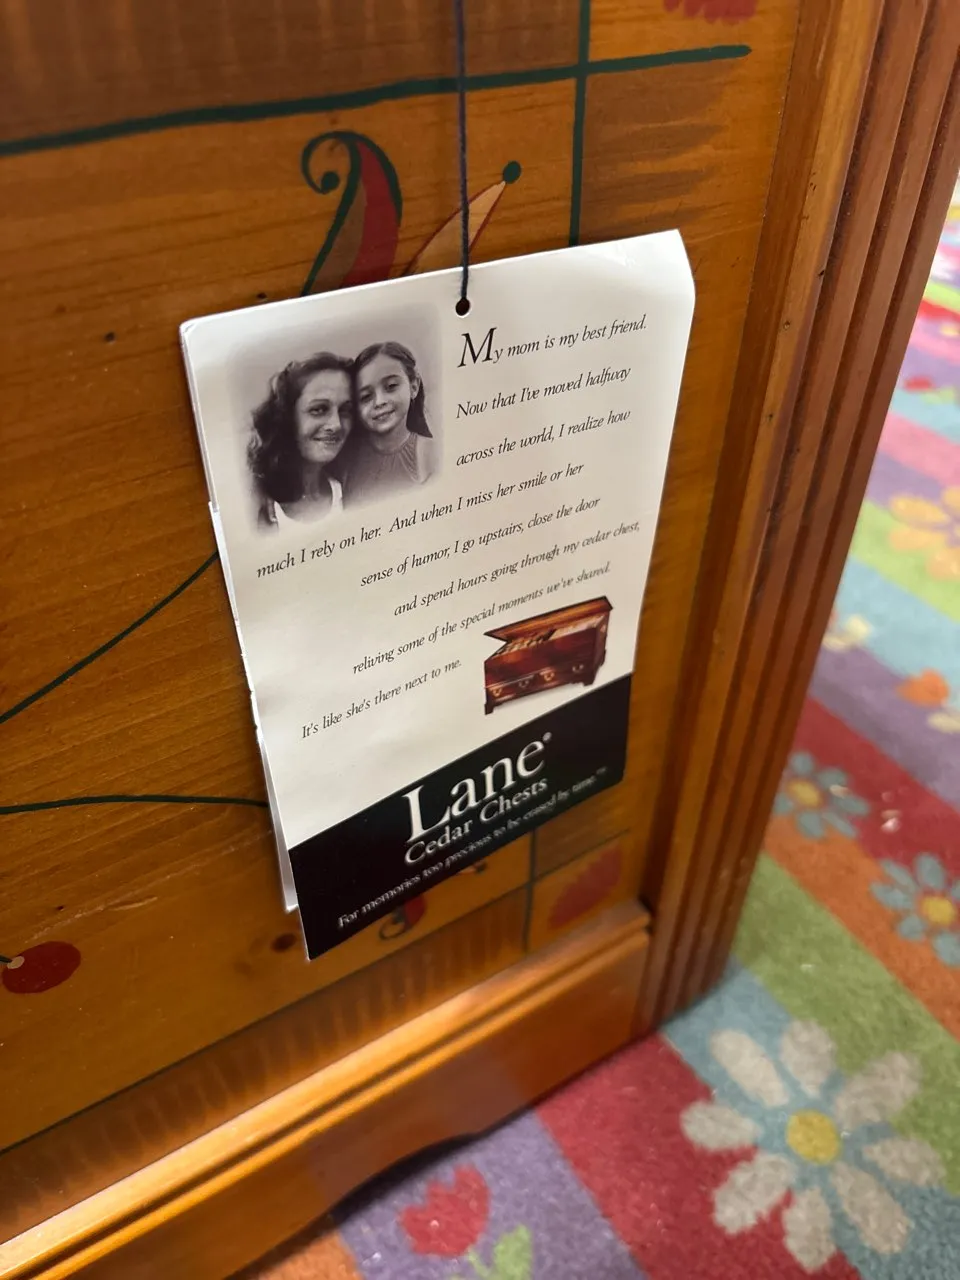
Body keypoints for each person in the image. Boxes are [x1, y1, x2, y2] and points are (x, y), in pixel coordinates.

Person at [248, 353, 353, 529]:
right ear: (287, 417)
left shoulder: (351, 492)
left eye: (345, 410)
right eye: (319, 409)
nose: (336, 425)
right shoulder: (255, 505)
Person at [342, 341, 437, 505]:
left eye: (391, 386)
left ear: (414, 387)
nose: (379, 402)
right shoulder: (346, 462)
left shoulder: (431, 453)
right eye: (365, 396)